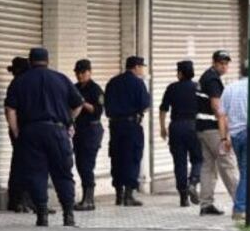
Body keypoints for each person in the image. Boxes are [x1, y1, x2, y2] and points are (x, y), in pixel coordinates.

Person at [5, 48, 83, 227]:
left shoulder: (20, 81)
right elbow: (78, 104)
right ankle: (68, 214)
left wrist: (16, 131)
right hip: (57, 131)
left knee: (36, 173)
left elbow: (10, 110)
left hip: (31, 132)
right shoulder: (61, 79)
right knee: (63, 173)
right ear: (48, 60)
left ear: (30, 61)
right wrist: (69, 122)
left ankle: (42, 214)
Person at [196, 51, 239, 216]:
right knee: (228, 164)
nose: (224, 66)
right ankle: (242, 203)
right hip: (214, 130)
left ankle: (206, 204)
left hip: (201, 128)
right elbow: (216, 107)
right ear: (214, 62)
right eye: (221, 63)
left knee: (207, 167)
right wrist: (224, 135)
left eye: (226, 63)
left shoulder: (205, 77)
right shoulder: (213, 79)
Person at [105, 56, 151, 206]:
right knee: (132, 157)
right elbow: (145, 105)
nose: (142, 70)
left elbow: (106, 106)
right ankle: (129, 195)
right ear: (136, 67)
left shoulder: (112, 82)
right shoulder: (138, 83)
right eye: (141, 67)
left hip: (115, 126)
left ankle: (118, 194)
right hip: (132, 126)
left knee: (117, 157)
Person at [161, 60, 203, 209]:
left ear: (180, 73)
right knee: (199, 158)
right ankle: (193, 182)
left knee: (179, 162)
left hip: (176, 127)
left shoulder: (172, 88)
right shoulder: (198, 87)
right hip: (194, 126)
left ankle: (183, 197)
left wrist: (162, 127)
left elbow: (163, 109)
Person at [73, 59, 104, 212]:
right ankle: (85, 197)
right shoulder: (75, 87)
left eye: (83, 72)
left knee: (87, 164)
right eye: (77, 73)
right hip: (79, 131)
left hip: (92, 130)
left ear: (89, 72)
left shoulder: (96, 89)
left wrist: (82, 103)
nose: (80, 75)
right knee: (80, 163)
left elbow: (98, 111)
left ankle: (89, 199)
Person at [5, 57, 34, 213]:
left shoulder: (17, 84)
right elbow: (10, 109)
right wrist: (16, 130)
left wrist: (14, 130)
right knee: (24, 166)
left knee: (20, 164)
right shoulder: (20, 84)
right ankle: (20, 200)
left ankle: (21, 200)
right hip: (23, 130)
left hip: (20, 130)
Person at [220, 64, 248, 219]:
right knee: (248, 172)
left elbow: (221, 115)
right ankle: (240, 207)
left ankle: (245, 205)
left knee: (244, 171)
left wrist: (225, 137)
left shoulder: (229, 88)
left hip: (235, 135)